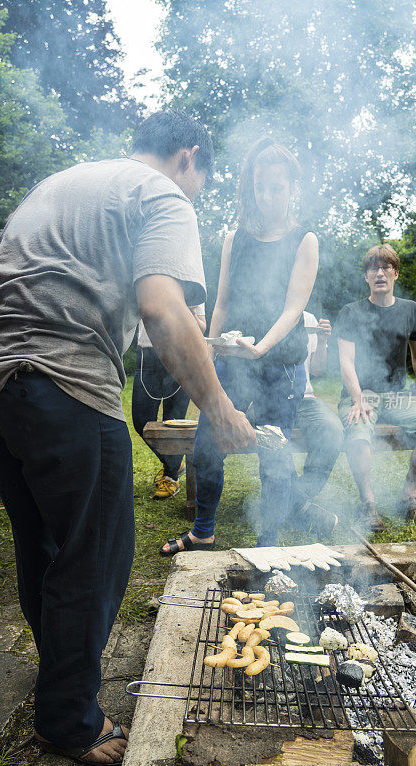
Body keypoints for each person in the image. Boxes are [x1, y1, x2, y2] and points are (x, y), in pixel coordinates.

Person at [0, 109, 254, 766]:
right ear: (189, 156)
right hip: (66, 380)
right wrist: (218, 408)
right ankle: (71, 719)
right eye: (202, 183)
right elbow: (161, 308)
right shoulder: (162, 193)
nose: (196, 196)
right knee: (98, 555)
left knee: (46, 545)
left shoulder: (70, 182)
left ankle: (61, 682)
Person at [161, 137, 319, 554]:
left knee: (275, 456)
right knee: (207, 447)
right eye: (260, 188)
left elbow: (292, 309)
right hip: (232, 364)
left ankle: (269, 543)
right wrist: (211, 353)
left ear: (292, 189)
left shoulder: (304, 240)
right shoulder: (236, 239)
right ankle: (203, 530)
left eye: (277, 188)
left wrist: (261, 348)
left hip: (280, 366)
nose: (267, 197)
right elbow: (223, 305)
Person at [336, 244, 416, 532]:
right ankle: (368, 504)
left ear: (395, 273)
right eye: (373, 268)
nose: (380, 273)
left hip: (399, 395)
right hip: (361, 395)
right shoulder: (351, 312)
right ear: (366, 277)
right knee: (359, 433)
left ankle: (408, 496)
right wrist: (357, 399)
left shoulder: (411, 310)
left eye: (386, 267)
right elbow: (346, 362)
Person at [132, 305, 206, 499]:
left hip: (181, 354)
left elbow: (201, 326)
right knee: (141, 421)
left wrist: (187, 311)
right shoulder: (145, 275)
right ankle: (175, 463)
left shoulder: (190, 281)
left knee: (174, 421)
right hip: (147, 354)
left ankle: (171, 477)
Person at [287, 310, 344, 535]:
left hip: (304, 398)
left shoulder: (309, 320)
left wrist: (322, 341)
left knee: (333, 430)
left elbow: (317, 370)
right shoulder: (263, 310)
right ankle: (297, 506)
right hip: (264, 398)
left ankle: (295, 498)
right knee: (273, 435)